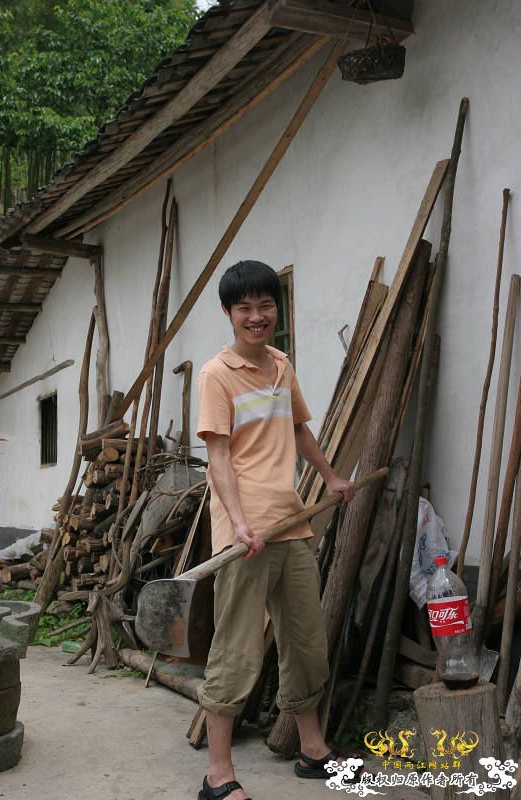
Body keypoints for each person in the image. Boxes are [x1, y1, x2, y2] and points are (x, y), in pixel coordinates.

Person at [196, 260, 355, 800]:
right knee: (237, 649)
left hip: (291, 526)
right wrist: (238, 523)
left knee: (306, 644)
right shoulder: (216, 374)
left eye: (266, 305)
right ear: (229, 313)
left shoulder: (282, 366)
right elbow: (218, 456)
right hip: (244, 538)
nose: (257, 316)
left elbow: (299, 428)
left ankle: (313, 751)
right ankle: (218, 773)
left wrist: (331, 476)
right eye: (245, 308)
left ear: (276, 309)